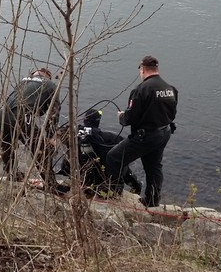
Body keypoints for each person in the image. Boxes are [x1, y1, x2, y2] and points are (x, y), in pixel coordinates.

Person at [106, 55, 178, 207]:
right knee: (154, 166)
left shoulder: (141, 90)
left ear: (142, 69)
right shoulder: (170, 89)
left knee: (114, 158)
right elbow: (172, 114)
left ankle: (114, 195)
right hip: (164, 133)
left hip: (146, 136)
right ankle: (152, 201)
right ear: (156, 69)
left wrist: (121, 117)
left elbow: (130, 117)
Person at [56, 108, 142, 196]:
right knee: (118, 160)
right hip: (100, 177)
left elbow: (58, 132)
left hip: (82, 175)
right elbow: (129, 145)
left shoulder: (73, 133)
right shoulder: (108, 138)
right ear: (97, 122)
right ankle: (136, 187)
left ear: (85, 120)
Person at [0, 67, 60, 189]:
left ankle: (12, 174)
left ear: (34, 74)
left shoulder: (23, 82)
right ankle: (52, 185)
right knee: (40, 149)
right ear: (48, 76)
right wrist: (50, 137)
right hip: (22, 115)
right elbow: (54, 114)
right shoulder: (51, 85)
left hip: (3, 113)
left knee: (7, 146)